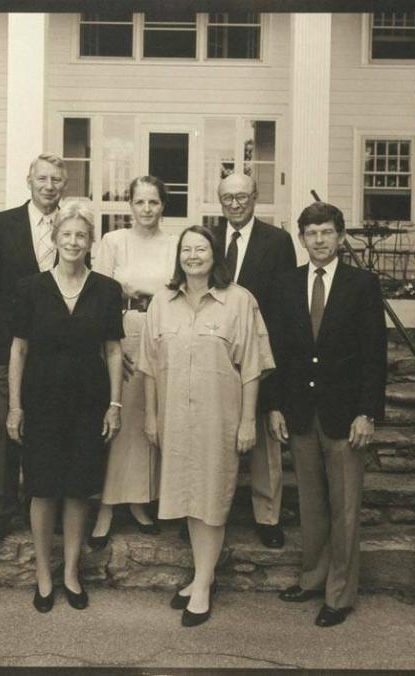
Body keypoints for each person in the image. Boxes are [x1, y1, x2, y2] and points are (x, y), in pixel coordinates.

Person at [139, 225, 275, 627]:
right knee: (188, 498)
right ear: (178, 256)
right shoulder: (162, 302)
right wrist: (150, 415)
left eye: (201, 249)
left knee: (211, 500)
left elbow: (252, 367)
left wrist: (248, 420)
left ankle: (201, 586)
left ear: (215, 256)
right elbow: (148, 365)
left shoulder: (239, 301)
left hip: (221, 419)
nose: (193, 256)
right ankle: (204, 575)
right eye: (186, 249)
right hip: (175, 418)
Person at [269, 202, 387, 627]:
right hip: (301, 410)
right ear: (302, 238)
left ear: (340, 237)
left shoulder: (362, 285)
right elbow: (279, 353)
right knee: (312, 505)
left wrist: (366, 412)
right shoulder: (287, 284)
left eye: (326, 232)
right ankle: (312, 578)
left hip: (345, 414)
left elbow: (374, 353)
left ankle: (340, 594)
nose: (319, 240)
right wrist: (277, 405)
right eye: (311, 233)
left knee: (345, 507)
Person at [6, 202, 124, 612]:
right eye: (66, 234)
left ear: (90, 242)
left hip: (87, 405)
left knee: (77, 490)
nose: (73, 242)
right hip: (40, 403)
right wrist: (15, 407)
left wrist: (114, 404)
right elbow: (18, 351)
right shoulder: (30, 288)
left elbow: (112, 351)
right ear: (54, 239)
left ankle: (71, 572)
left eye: (81, 236)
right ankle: (43, 574)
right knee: (42, 489)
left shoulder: (108, 290)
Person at [0, 153, 68, 542]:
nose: (49, 186)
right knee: (7, 425)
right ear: (29, 181)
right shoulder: (1, 225)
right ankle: (0, 509)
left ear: (65, 184)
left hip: (58, 346)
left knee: (50, 426)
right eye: (42, 178)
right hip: (8, 342)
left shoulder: (72, 225)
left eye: (57, 180)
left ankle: (46, 505)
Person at [89, 176, 177, 548]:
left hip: (162, 332)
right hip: (121, 332)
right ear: (130, 205)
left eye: (153, 202)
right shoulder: (114, 242)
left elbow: (177, 290)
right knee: (118, 418)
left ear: (162, 205)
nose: (146, 209)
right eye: (139, 202)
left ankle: (141, 500)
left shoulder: (174, 244)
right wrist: (111, 343)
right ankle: (106, 506)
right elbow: (99, 293)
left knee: (146, 420)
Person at [212, 172, 297, 549]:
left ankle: (268, 516)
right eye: (228, 197)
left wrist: (274, 372)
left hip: (260, 347)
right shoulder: (209, 239)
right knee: (214, 441)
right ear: (220, 200)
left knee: (263, 438)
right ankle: (210, 512)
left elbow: (284, 307)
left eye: (242, 196)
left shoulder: (277, 242)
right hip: (217, 352)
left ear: (255, 197)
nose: (235, 203)